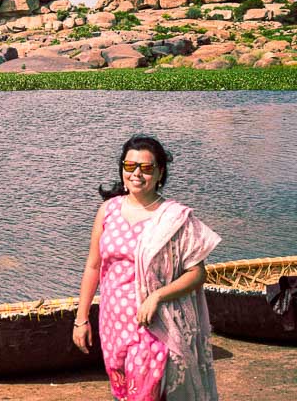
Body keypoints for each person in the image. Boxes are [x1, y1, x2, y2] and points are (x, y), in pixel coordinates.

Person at [72, 135, 220, 401]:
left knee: (146, 393)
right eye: (130, 166)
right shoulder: (108, 210)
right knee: (123, 392)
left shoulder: (174, 219)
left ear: (160, 172)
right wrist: (81, 319)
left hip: (155, 323)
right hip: (113, 323)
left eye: (146, 167)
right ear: (122, 168)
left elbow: (197, 274)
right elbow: (94, 266)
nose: (137, 173)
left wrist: (157, 296)